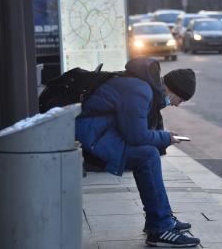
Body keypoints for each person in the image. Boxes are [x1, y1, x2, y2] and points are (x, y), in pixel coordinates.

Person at [75, 59, 201, 247]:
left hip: (101, 132)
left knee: (148, 154)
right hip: (93, 136)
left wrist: (163, 137)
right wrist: (166, 138)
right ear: (172, 90)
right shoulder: (140, 90)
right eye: (180, 100)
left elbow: (134, 130)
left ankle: (161, 219)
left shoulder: (142, 87)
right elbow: (136, 135)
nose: (177, 105)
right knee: (148, 156)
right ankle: (160, 228)